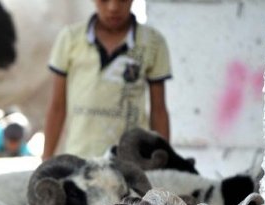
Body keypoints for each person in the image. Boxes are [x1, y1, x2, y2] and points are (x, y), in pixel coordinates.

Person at [41, 0, 171, 160]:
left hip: (131, 160)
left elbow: (158, 110)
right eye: (104, 0)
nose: (113, 7)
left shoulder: (152, 42)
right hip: (80, 158)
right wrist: (45, 159)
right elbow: (57, 106)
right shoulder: (70, 38)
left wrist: (165, 162)